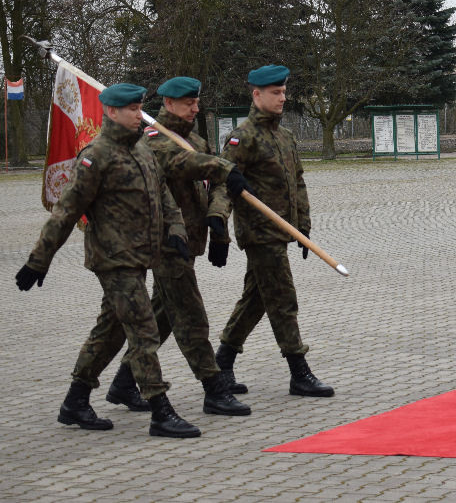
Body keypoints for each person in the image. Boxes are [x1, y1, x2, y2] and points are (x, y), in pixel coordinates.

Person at [15, 83, 201, 438]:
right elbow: (66, 211)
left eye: (139, 108)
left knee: (111, 331)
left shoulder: (143, 150)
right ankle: (161, 411)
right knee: (144, 329)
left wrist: (176, 230)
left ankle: (75, 401)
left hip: (140, 256)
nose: (138, 115)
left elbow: (163, 195)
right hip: (113, 260)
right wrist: (39, 260)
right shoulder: (95, 156)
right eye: (131, 109)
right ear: (111, 112)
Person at [104, 76, 251, 416]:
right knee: (191, 317)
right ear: (169, 104)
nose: (195, 108)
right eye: (188, 103)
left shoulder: (196, 138)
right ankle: (214, 389)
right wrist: (223, 166)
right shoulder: (152, 139)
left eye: (197, 102)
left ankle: (125, 383)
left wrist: (217, 219)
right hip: (167, 242)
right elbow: (179, 163)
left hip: (192, 240)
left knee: (162, 317)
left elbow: (217, 182)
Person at [216, 64, 334, 397]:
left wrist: (304, 226)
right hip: (260, 232)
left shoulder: (284, 136)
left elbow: (297, 182)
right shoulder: (243, 137)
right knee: (282, 298)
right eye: (276, 93)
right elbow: (225, 183)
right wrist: (219, 227)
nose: (283, 98)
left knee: (256, 299)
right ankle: (299, 372)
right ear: (257, 94)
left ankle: (221, 365)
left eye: (284, 92)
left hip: (283, 230)